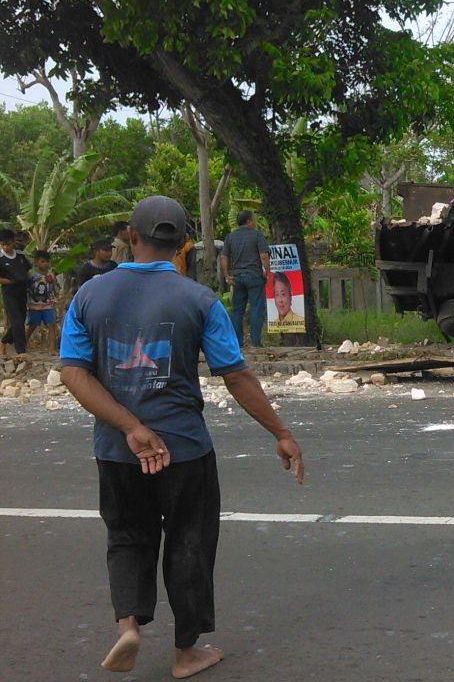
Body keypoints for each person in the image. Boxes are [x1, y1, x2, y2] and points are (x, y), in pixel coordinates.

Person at [60, 196, 303, 679]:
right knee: (189, 542)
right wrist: (281, 433)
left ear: (131, 236)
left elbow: (73, 373)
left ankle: (128, 624)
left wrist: (130, 427)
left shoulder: (89, 295)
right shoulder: (201, 300)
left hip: (117, 449)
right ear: (184, 243)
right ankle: (186, 651)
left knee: (127, 537)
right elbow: (235, 377)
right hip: (185, 448)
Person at [219, 211, 270, 348]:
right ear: (248, 221)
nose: (254, 222)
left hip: (237, 279)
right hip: (254, 277)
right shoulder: (257, 235)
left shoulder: (230, 237)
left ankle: (237, 343)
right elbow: (264, 256)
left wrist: (227, 276)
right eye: (253, 220)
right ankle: (255, 342)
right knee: (256, 309)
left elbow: (224, 257)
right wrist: (267, 272)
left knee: (237, 311)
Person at [0, 228, 32, 360]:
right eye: (3, 244)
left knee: (20, 320)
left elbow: (27, 269)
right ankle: (21, 351)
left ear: (13, 242)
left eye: (8, 244)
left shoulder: (20, 254)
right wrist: (8, 281)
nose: (6, 247)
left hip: (22, 290)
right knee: (16, 321)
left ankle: (3, 341)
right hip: (9, 292)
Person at [26, 249, 59, 355]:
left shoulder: (51, 274)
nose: (45, 264)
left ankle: (52, 348)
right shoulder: (31, 274)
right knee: (32, 326)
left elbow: (54, 286)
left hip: (47, 305)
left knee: (51, 325)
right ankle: (22, 345)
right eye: (42, 261)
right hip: (34, 306)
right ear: (36, 262)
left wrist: (56, 296)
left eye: (47, 262)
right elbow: (26, 287)